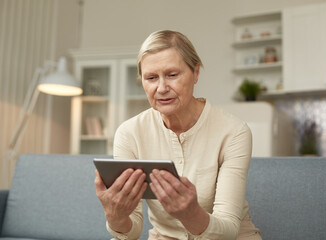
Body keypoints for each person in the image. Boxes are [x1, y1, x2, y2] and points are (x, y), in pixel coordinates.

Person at [94, 30, 261, 240]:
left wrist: (191, 215)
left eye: (172, 75)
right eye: (151, 78)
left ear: (196, 72)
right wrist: (115, 217)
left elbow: (228, 229)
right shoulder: (129, 133)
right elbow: (132, 231)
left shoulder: (234, 131)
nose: (161, 88)